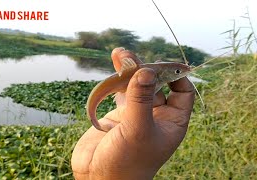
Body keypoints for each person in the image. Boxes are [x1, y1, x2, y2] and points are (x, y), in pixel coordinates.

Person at [71, 48, 195, 179]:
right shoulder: (152, 78)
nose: (179, 74)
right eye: (177, 72)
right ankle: (94, 119)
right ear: (162, 74)